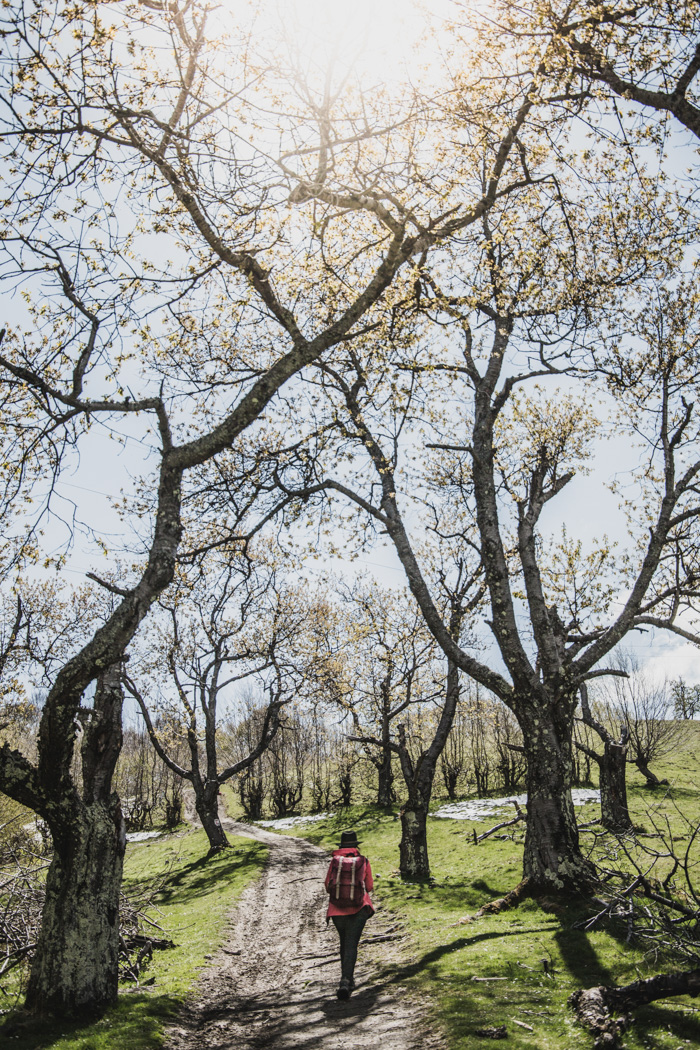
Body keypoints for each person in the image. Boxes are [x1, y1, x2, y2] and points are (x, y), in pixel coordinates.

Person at [324, 829, 374, 1000]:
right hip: (358, 909)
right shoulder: (363, 861)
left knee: (344, 942)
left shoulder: (335, 862)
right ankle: (346, 981)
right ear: (355, 845)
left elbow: (327, 885)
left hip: (337, 910)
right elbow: (369, 886)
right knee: (351, 944)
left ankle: (346, 978)